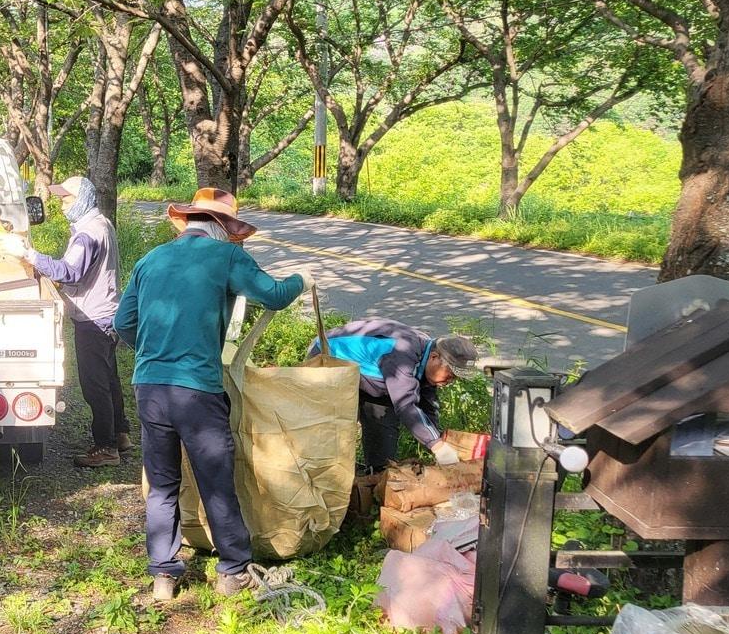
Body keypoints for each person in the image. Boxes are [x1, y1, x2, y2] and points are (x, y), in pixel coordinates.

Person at [114, 188, 305, 601]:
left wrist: (154, 350)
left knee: (163, 483)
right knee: (215, 479)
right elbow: (273, 294)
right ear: (222, 226)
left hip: (149, 387)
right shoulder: (227, 258)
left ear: (190, 222)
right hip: (197, 389)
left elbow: (122, 322)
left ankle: (163, 576)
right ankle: (233, 570)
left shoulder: (150, 260)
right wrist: (302, 279)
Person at [12, 176, 130, 468]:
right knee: (110, 378)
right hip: (107, 312)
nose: (63, 205)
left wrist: (29, 255)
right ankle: (120, 433)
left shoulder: (88, 233)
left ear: (84, 199)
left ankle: (106, 447)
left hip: (93, 317)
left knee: (94, 384)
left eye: (67, 199)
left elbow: (69, 272)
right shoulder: (101, 224)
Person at [310, 320, 478, 473]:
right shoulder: (403, 353)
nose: (451, 381)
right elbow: (406, 406)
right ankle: (322, 479)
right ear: (434, 357)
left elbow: (427, 407)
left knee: (383, 439)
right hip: (329, 361)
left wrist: (438, 441)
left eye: (456, 378)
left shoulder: (426, 358)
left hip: (371, 379)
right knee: (332, 434)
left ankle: (375, 478)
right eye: (450, 374)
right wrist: (437, 446)